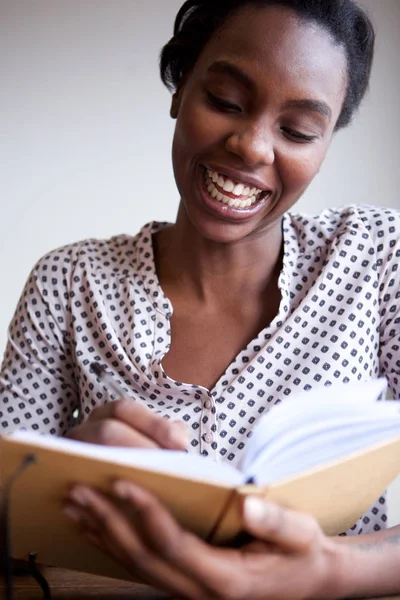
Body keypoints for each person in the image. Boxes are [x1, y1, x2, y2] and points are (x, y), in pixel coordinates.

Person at [1, 0, 400, 597]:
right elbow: (7, 523)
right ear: (180, 89)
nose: (253, 147)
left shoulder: (377, 258)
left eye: (297, 131)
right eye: (226, 102)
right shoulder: (68, 283)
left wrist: (328, 569)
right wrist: (55, 486)